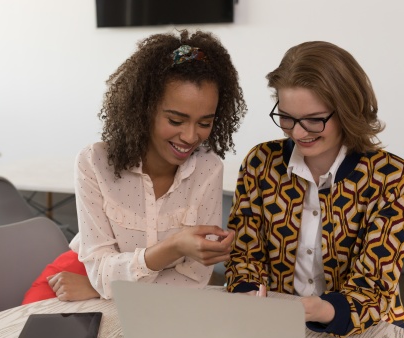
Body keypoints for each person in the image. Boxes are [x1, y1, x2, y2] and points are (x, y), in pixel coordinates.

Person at [22, 29, 247, 303]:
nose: (190, 136)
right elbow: (98, 268)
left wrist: (101, 289)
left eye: (204, 123)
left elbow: (195, 280)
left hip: (99, 292)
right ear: (143, 108)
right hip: (69, 283)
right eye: (176, 121)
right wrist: (174, 247)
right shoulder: (94, 162)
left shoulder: (208, 170)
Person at [225, 41, 404, 337]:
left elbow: (375, 285)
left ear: (349, 110)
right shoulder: (260, 162)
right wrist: (248, 292)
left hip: (368, 329)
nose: (298, 132)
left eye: (314, 120)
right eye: (287, 117)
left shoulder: (391, 176)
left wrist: (321, 310)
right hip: (276, 322)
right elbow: (245, 254)